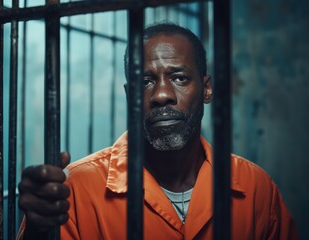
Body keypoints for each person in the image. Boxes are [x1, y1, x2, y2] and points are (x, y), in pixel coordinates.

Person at [16, 23, 298, 240]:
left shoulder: (255, 188)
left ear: (207, 88)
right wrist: (38, 233)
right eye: (145, 81)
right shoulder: (76, 190)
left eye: (179, 78)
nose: (162, 94)